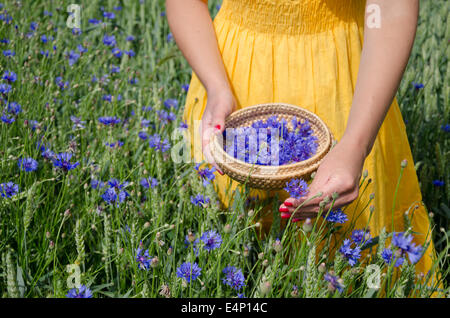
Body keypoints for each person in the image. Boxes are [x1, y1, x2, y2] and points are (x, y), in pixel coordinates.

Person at [166, 0, 437, 276]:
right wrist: (216, 86)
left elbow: (391, 8)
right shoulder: (221, 90)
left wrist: (356, 144)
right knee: (231, 256)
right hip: (231, 91)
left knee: (347, 262)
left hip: (347, 100)